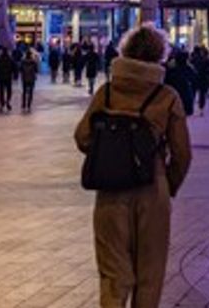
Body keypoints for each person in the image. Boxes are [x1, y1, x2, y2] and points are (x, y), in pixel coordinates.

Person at [75, 24, 192, 308]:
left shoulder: (106, 93)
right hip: (153, 189)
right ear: (160, 54)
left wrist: (111, 152)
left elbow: (82, 137)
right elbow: (182, 154)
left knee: (113, 274)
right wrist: (168, 183)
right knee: (149, 273)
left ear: (124, 51)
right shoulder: (166, 96)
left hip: (110, 192)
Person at [164, 49, 197, 116]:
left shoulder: (170, 71)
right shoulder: (189, 70)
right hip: (185, 99)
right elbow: (194, 82)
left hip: (172, 99)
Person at [0, 46, 17, 112]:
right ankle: (8, 101)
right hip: (8, 77)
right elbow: (15, 68)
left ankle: (2, 104)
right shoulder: (10, 60)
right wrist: (15, 76)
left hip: (1, 78)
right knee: (9, 91)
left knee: (1, 91)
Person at [190, 46, 209, 113]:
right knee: (202, 94)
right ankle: (201, 108)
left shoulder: (193, 59)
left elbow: (190, 69)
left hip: (195, 78)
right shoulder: (206, 59)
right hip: (203, 79)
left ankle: (192, 106)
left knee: (193, 92)